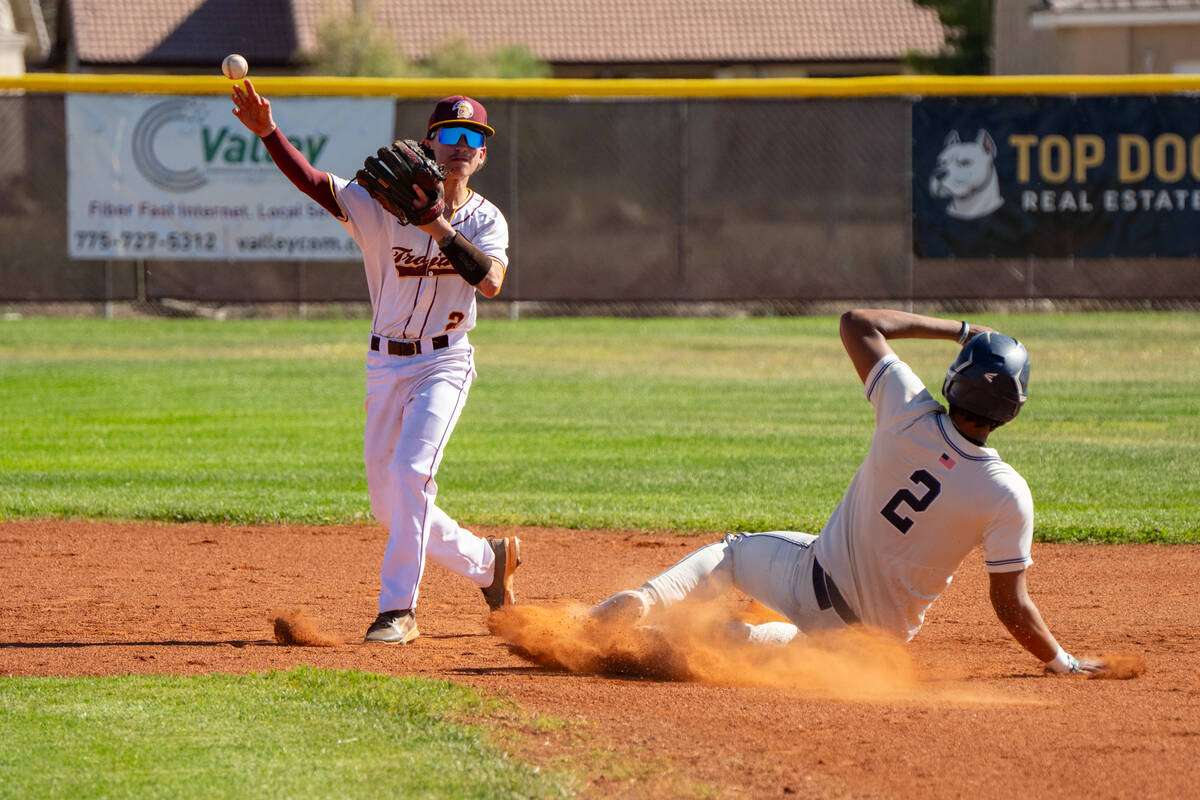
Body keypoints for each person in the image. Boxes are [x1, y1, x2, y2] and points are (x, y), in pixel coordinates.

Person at [593, 308, 1103, 675]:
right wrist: (1063, 661)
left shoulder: (907, 412)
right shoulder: (1008, 494)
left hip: (811, 582)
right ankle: (692, 645)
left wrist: (964, 330)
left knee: (734, 552)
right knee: (800, 649)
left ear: (955, 381)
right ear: (1013, 408)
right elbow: (1011, 605)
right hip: (867, 649)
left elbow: (857, 322)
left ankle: (645, 602)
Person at [231, 80, 520, 644]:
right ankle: (489, 563)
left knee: (413, 475)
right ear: (429, 145)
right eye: (449, 136)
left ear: (482, 155)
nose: (461, 146)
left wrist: (436, 222)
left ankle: (398, 612)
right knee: (390, 508)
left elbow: (489, 282)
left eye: (473, 138)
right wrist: (268, 133)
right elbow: (316, 183)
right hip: (385, 364)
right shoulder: (378, 207)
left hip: (445, 363)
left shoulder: (487, 220)